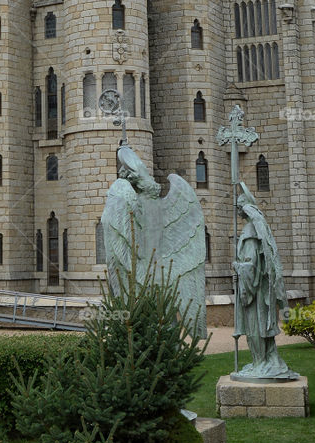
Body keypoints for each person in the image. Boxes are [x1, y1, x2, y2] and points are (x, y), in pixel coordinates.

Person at [101, 145, 207, 338]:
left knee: (159, 324)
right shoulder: (150, 204)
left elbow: (118, 233)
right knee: (165, 322)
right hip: (162, 278)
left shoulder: (135, 203)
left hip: (149, 278)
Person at [232, 182, 299, 380]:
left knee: (255, 330)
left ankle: (260, 363)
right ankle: (264, 361)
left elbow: (251, 266)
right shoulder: (253, 229)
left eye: (239, 206)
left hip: (256, 293)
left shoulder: (250, 234)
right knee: (261, 329)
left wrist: (237, 267)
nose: (237, 209)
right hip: (261, 290)